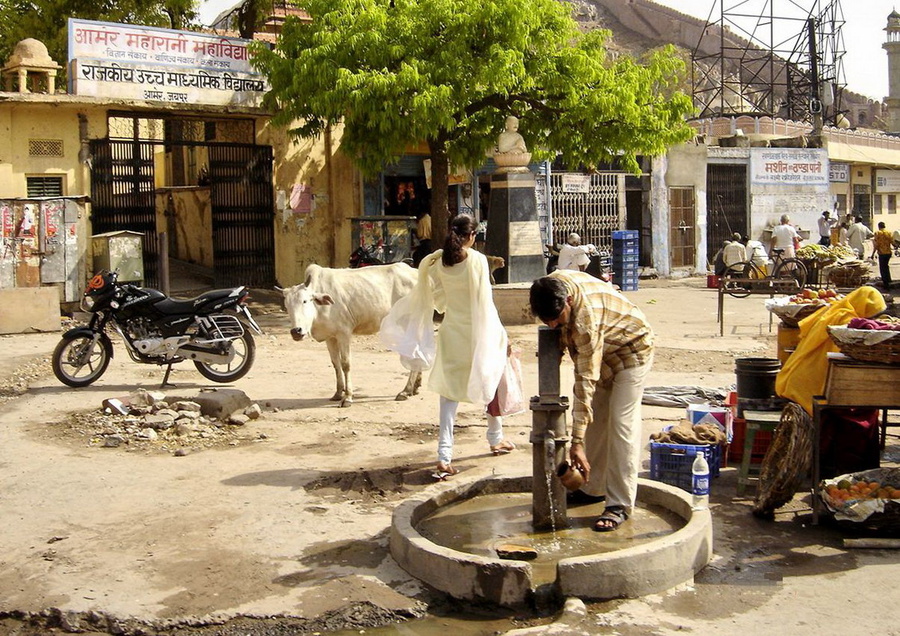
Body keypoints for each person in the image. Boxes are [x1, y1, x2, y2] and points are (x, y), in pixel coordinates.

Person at [529, 272, 654, 532]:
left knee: (621, 425)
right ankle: (593, 489)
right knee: (596, 425)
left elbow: (585, 380)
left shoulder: (586, 321)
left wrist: (576, 443)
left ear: (570, 301)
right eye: (546, 320)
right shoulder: (549, 288)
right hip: (603, 352)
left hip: (631, 351)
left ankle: (619, 504)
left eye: (557, 319)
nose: (552, 326)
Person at [419, 215, 515, 476]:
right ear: (472, 236)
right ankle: (495, 438)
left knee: (449, 394)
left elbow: (439, 300)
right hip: (479, 331)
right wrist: (502, 335)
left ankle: (444, 454)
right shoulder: (477, 261)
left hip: (452, 331)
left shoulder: (439, 262)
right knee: (492, 380)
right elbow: (485, 303)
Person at [874, 221, 893, 288]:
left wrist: (873, 253)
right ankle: (889, 279)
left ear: (879, 226)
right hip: (888, 252)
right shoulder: (889, 232)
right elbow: (892, 241)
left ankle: (886, 283)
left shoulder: (878, 233)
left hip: (882, 253)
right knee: (886, 266)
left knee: (882, 268)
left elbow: (877, 244)